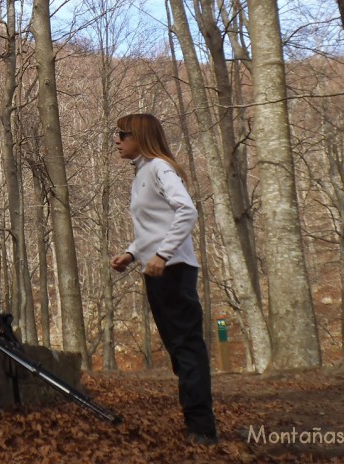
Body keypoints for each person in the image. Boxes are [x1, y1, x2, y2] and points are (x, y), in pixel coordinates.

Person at [110, 113, 218, 446]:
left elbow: (186, 210)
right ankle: (196, 423)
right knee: (177, 349)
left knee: (186, 348)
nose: (117, 140)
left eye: (123, 134)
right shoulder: (142, 172)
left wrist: (163, 254)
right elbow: (154, 225)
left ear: (140, 136)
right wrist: (132, 253)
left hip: (173, 270)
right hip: (157, 270)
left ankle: (202, 429)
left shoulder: (159, 167)